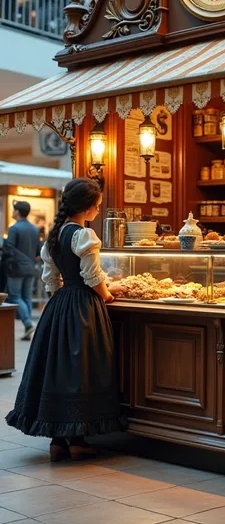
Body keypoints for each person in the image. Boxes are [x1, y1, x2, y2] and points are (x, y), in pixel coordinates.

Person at [6, 178, 127, 462]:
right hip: (84, 308)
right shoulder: (84, 235)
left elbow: (51, 280)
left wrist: (61, 303)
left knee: (59, 370)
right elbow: (93, 278)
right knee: (81, 371)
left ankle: (58, 440)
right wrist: (108, 295)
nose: (98, 210)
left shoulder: (54, 236)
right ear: (87, 207)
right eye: (97, 206)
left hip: (60, 306)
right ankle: (78, 441)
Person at [6, 201, 41, 340]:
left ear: (18, 212)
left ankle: (27, 323)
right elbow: (38, 251)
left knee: (15, 296)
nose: (13, 212)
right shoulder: (34, 229)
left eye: (14, 210)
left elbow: (9, 248)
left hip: (16, 267)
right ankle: (28, 328)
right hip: (30, 267)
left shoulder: (14, 228)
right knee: (26, 297)